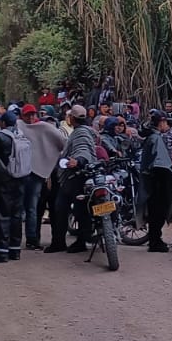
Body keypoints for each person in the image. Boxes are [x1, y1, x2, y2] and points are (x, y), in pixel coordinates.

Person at [47, 105, 98, 254]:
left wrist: (78, 161)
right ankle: (72, 240)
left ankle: (64, 242)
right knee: (79, 209)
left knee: (63, 208)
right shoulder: (84, 131)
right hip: (81, 175)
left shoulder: (80, 133)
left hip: (76, 176)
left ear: (72, 118)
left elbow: (83, 150)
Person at [0, 111, 29, 263]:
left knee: (2, 214)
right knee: (16, 215)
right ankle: (15, 250)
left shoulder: (0, 137)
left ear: (2, 123)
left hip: (3, 180)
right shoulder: (21, 135)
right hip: (21, 179)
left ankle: (0, 252)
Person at [18, 103, 65, 250]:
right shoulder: (19, 127)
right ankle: (19, 238)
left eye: (33, 114)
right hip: (22, 172)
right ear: (22, 116)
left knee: (33, 207)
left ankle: (32, 239)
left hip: (42, 173)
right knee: (21, 207)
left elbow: (62, 141)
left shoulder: (43, 127)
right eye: (28, 115)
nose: (31, 117)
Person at [139, 111, 172, 253]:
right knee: (158, 212)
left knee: (154, 211)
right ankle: (155, 241)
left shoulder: (151, 137)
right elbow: (160, 164)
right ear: (160, 123)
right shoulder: (156, 138)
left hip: (151, 179)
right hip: (158, 181)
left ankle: (155, 239)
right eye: (163, 122)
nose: (165, 124)